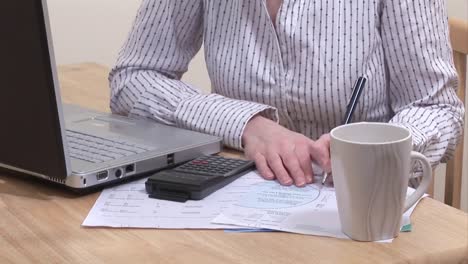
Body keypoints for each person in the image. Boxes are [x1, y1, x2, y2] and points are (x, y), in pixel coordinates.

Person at [109, 0, 464, 187]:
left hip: (359, 215)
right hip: (237, 207)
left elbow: (437, 108)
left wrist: (374, 149)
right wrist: (246, 125)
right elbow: (134, 77)